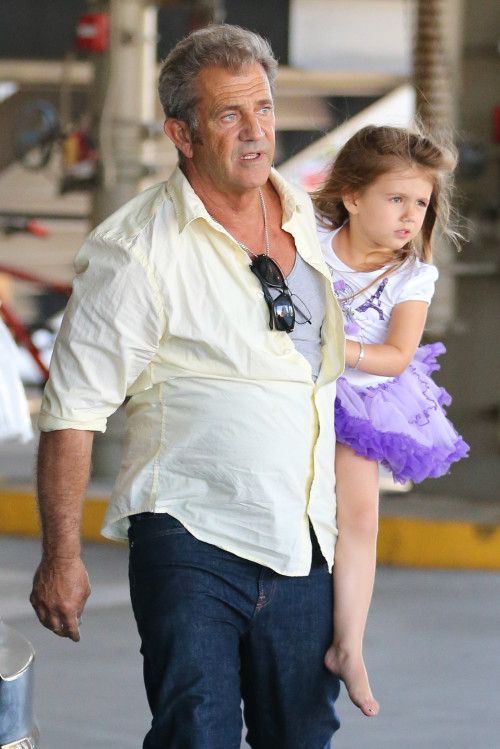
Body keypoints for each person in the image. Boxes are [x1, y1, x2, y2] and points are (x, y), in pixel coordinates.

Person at [29, 25, 346, 749]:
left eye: (263, 109)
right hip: (190, 535)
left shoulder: (315, 221)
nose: (255, 131)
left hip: (304, 541)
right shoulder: (136, 250)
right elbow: (73, 410)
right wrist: (62, 555)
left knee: (300, 736)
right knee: (194, 733)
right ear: (182, 133)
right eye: (228, 115)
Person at [313, 124, 470, 717]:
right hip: (288, 388)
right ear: (352, 197)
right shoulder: (309, 243)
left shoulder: (411, 275)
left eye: (421, 204)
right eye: (396, 199)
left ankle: (348, 644)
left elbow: (397, 355)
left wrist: (334, 350)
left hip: (361, 398)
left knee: (360, 518)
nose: (410, 216)